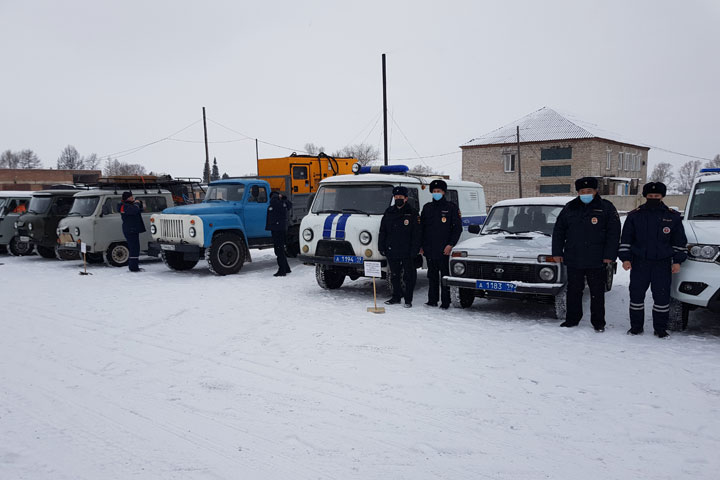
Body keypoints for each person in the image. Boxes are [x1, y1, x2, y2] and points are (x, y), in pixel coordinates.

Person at [619, 182, 687, 338]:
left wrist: (677, 261)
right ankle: (636, 327)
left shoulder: (672, 217)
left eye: (656, 196)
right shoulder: (635, 216)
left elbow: (679, 242)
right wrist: (625, 259)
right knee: (636, 296)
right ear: (645, 196)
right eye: (650, 196)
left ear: (662, 196)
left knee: (661, 298)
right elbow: (626, 240)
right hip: (639, 263)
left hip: (662, 264)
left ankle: (660, 328)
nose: (653, 198)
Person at [552, 177, 620, 331]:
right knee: (574, 291)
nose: (585, 194)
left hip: (597, 258)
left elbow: (614, 233)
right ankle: (572, 319)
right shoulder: (570, 208)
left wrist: (610, 254)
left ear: (596, 191)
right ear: (578, 192)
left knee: (597, 292)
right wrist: (557, 251)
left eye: (589, 191)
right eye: (582, 191)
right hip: (574, 256)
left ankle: (598, 323)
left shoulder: (606, 208)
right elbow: (559, 231)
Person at [420, 179, 463, 309]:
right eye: (434, 191)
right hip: (430, 249)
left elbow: (457, 229)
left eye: (438, 191)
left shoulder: (451, 208)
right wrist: (421, 246)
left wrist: (450, 245)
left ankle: (445, 301)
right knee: (432, 276)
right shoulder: (427, 208)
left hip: (445, 249)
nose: (436, 193)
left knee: (445, 276)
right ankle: (432, 300)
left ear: (444, 192)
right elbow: (421, 228)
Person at [379, 186, 421, 308]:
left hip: (407, 250)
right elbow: (383, 231)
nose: (398, 199)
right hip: (392, 249)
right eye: (396, 197)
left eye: (400, 197)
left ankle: (408, 299)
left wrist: (415, 250)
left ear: (406, 198)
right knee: (394, 275)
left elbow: (417, 233)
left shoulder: (412, 212)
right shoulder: (389, 211)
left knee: (409, 276)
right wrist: (381, 246)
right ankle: (396, 297)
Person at [266, 191, 293, 277]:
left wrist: (276, 197)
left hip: (277, 229)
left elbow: (274, 202)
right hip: (281, 228)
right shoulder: (283, 203)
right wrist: (283, 198)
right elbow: (289, 205)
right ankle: (286, 268)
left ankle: (282, 270)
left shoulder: (276, 203)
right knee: (280, 249)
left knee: (278, 250)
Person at [119, 191, 145, 272]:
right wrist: (137, 203)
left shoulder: (129, 205)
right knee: (134, 248)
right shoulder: (123, 206)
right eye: (131, 197)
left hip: (133, 229)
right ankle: (133, 267)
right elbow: (134, 210)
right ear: (127, 198)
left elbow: (139, 209)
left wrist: (140, 203)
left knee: (135, 248)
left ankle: (134, 266)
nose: (133, 198)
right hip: (130, 230)